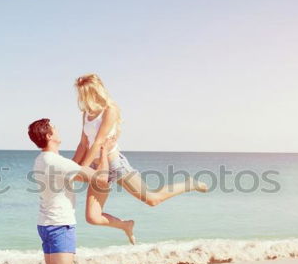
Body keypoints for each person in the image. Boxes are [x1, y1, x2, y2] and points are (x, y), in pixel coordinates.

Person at [72, 73, 208, 244]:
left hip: (114, 163)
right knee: (93, 217)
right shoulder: (86, 113)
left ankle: (190, 183)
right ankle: (125, 226)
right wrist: (71, 167)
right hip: (98, 168)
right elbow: (83, 144)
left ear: (96, 91)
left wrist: (82, 168)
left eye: (85, 92)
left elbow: (98, 141)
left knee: (152, 199)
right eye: (81, 93)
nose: (83, 97)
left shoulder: (110, 110)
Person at [28, 117, 115, 264]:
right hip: (60, 225)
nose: (58, 129)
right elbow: (101, 180)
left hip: (46, 224)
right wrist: (104, 151)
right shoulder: (57, 163)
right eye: (54, 128)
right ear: (48, 135)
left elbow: (77, 165)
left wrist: (85, 142)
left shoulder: (44, 160)